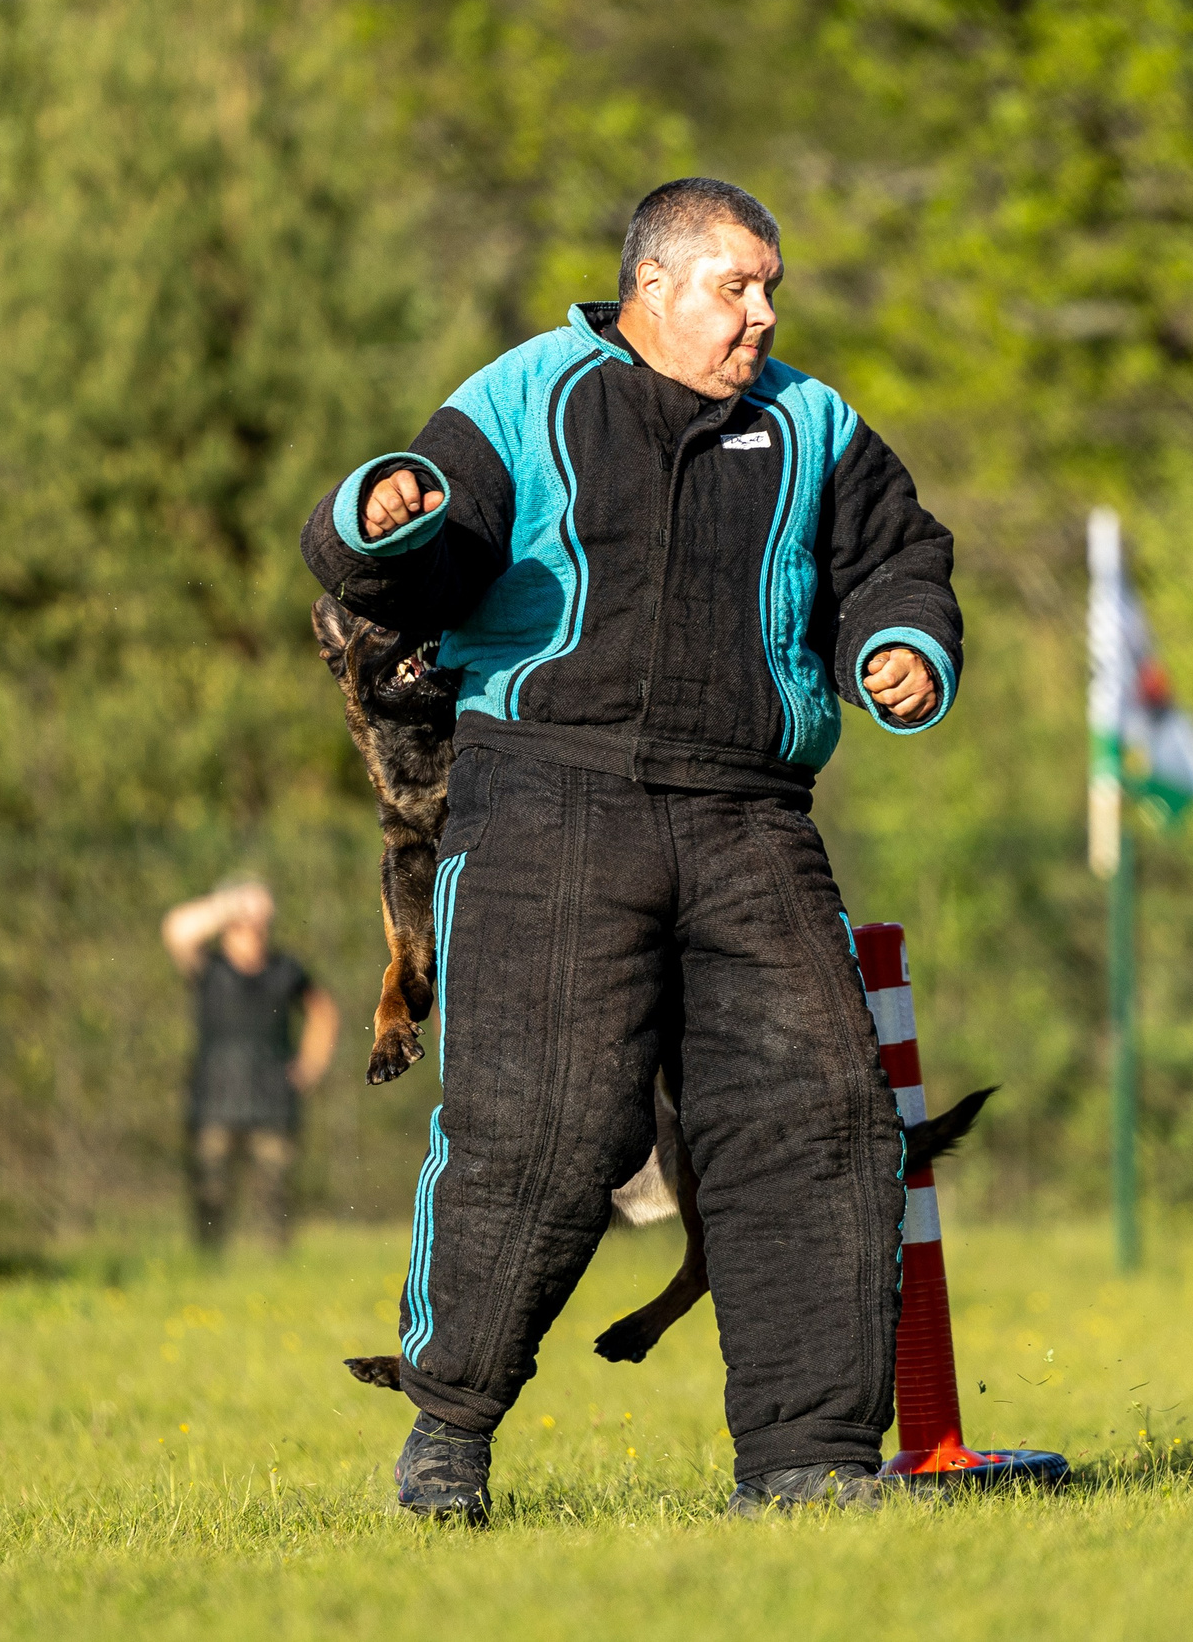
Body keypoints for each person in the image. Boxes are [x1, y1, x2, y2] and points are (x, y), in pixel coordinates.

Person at [301, 177, 961, 1521]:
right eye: (738, 285)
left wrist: (900, 645)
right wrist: (381, 510)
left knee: (821, 1116)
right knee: (543, 1124)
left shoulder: (812, 425)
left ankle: (809, 1462)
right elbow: (414, 543)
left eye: (771, 287)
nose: (764, 314)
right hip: (548, 801)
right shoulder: (532, 393)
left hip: (751, 815)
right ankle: (449, 1441)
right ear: (653, 287)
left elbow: (897, 556)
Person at [161, 877, 338, 1253]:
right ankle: (208, 1266)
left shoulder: (286, 969)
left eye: (260, 922)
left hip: (272, 1094)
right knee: (210, 1189)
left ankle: (277, 1268)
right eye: (245, 922)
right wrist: (229, 903)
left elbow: (323, 1011)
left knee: (276, 1193)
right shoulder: (208, 966)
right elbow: (176, 930)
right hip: (215, 1093)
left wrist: (311, 1064)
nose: (254, 930)